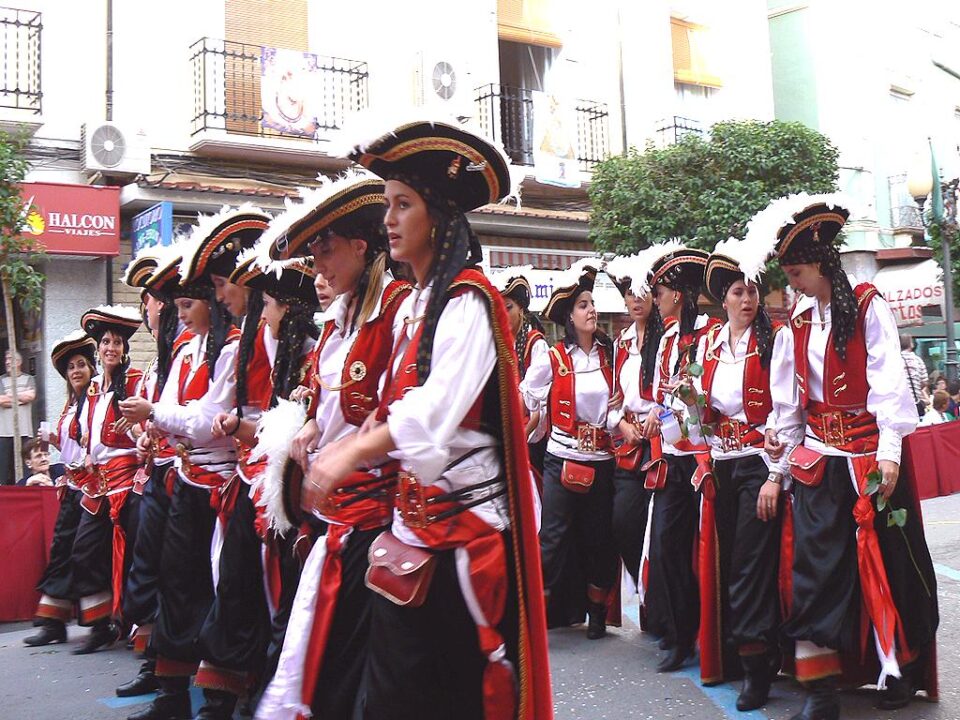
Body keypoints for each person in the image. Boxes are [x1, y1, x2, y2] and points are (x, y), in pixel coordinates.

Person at [302, 118, 552, 720]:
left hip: (463, 539)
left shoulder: (469, 300)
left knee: (450, 697)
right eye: (388, 203)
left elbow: (435, 413)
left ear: (437, 216)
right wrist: (354, 436)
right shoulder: (414, 305)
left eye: (403, 204)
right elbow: (396, 405)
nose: (388, 218)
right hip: (410, 532)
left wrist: (355, 452)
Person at [752, 193, 938, 719]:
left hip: (872, 462)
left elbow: (887, 384)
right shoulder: (797, 321)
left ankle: (898, 672)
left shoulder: (867, 303)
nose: (792, 283)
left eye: (798, 271)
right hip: (820, 463)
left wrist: (891, 452)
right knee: (815, 574)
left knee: (892, 569)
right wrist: (777, 462)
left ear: (821, 262)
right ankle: (821, 693)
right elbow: (790, 403)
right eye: (787, 273)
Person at [256, 170, 412, 719]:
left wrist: (352, 448)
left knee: (358, 664)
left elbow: (408, 408)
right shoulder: (335, 322)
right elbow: (330, 403)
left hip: (380, 518)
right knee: (326, 655)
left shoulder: (400, 310)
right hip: (332, 516)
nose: (317, 262)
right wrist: (309, 430)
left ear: (360, 246)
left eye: (325, 248)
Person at [118, 208, 251, 720]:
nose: (184, 308)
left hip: (221, 484)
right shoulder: (188, 349)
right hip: (186, 479)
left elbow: (205, 420)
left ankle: (220, 695)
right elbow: (180, 418)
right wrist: (152, 426)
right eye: (181, 300)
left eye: (191, 300)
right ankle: (172, 694)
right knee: (176, 582)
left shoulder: (231, 350)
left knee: (220, 585)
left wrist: (157, 415)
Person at [679, 239, 802, 708]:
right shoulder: (707, 344)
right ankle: (754, 653)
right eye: (737, 292)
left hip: (757, 463)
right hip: (721, 467)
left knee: (749, 567)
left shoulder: (774, 340)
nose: (747, 299)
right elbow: (696, 418)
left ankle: (756, 668)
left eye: (752, 290)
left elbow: (786, 410)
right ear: (721, 299)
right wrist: (688, 403)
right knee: (730, 562)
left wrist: (775, 473)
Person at [520, 259, 618, 640]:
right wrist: (536, 416)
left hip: (602, 460)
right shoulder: (553, 357)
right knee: (553, 539)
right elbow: (527, 393)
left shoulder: (611, 356)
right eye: (583, 305)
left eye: (592, 303)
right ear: (569, 316)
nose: (591, 310)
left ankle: (596, 611)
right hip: (561, 457)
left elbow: (617, 407)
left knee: (599, 538)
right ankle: (538, 614)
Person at [114, 242, 196, 699]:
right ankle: (157, 668)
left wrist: (156, 426)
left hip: (189, 478)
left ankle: (176, 677)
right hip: (160, 477)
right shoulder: (161, 358)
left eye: (152, 295)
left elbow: (193, 416)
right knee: (150, 574)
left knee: (177, 578)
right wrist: (145, 435)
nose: (149, 305)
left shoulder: (193, 347)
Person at [643, 242, 716, 673]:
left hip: (705, 456)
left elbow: (709, 394)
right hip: (673, 455)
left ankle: (715, 634)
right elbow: (658, 391)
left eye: (660, 291)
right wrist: (658, 409)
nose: (655, 299)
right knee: (668, 545)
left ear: (678, 293)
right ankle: (679, 632)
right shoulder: (668, 337)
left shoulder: (708, 333)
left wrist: (681, 398)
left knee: (710, 547)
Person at [73, 305, 145, 655]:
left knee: (129, 555)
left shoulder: (134, 383)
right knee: (84, 550)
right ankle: (100, 623)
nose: (111, 348)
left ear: (124, 349)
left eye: (117, 342)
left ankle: (133, 623)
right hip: (96, 482)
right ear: (98, 349)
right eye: (105, 342)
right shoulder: (92, 389)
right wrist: (87, 450)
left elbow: (146, 429)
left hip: (126, 481)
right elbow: (89, 431)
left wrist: (133, 428)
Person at [23, 331, 97, 646]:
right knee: (61, 552)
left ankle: (101, 623)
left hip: (95, 489)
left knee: (87, 553)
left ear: (91, 368)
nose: (76, 370)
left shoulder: (99, 399)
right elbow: (71, 446)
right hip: (71, 487)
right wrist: (56, 440)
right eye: (71, 368)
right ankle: (53, 624)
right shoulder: (70, 406)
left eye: (81, 364)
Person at [603, 249, 666, 598]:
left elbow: (674, 394)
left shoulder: (667, 339)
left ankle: (658, 605)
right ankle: (644, 594)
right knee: (623, 522)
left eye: (643, 292)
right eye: (629, 293)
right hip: (629, 445)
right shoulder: (621, 344)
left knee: (658, 529)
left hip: (660, 443)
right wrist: (622, 425)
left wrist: (660, 414)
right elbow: (612, 400)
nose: (636, 299)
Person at [490, 265, 550, 477]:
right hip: (508, 432)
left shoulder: (536, 344)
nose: (502, 315)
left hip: (531, 437)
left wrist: (518, 440)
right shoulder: (500, 347)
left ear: (521, 310)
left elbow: (537, 412)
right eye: (499, 309)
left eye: (508, 308)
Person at [0, 349, 36, 485]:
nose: (7, 362)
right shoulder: (1, 380)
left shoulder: (28, 379)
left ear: (19, 362)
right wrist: (21, 398)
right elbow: (1, 400)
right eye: (6, 359)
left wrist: (10, 397)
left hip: (24, 430)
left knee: (27, 467)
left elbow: (31, 396)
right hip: (4, 432)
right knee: (3, 469)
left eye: (11, 359)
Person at [900, 335, 928, 418]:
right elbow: (924, 382)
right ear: (911, 345)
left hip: (901, 404)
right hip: (915, 403)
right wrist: (916, 387)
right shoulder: (918, 360)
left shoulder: (895, 360)